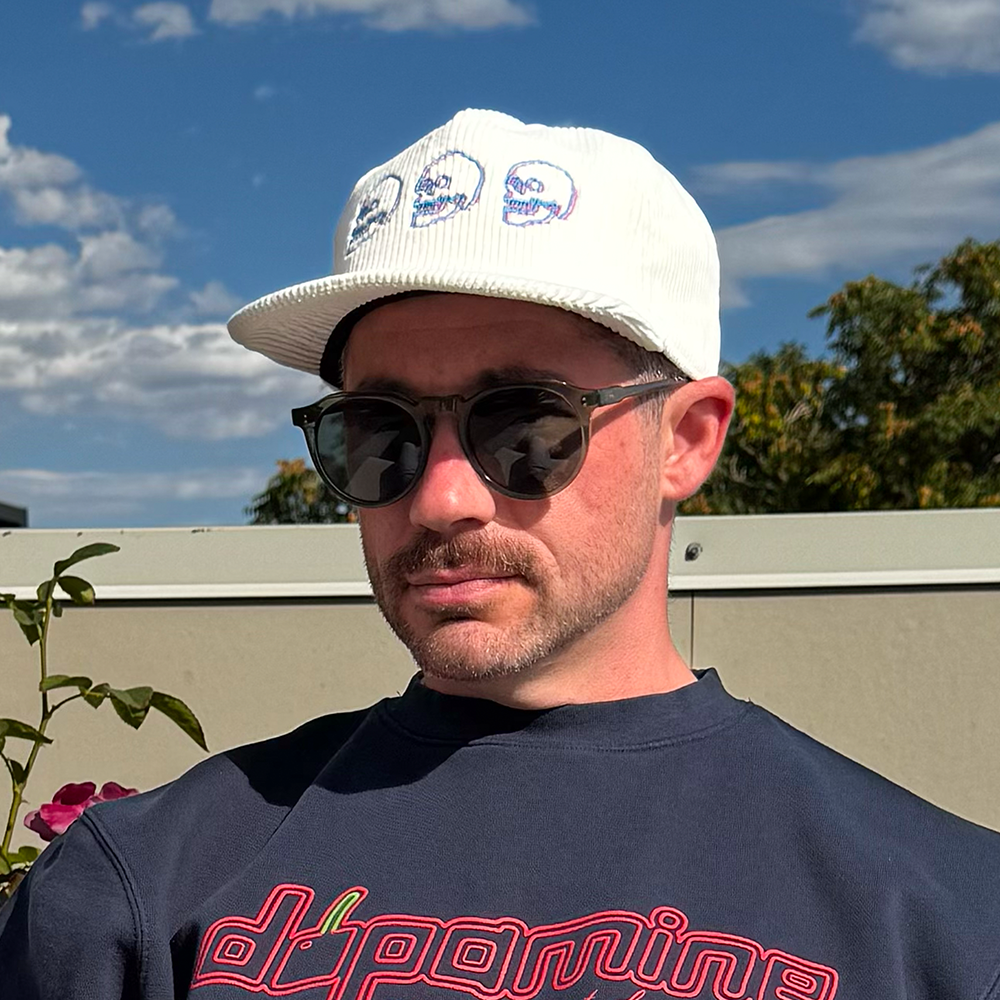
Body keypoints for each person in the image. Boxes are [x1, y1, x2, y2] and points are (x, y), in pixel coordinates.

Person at [1, 109, 999, 999]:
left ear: (688, 438)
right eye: (379, 431)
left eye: (523, 424)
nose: (440, 497)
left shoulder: (945, 920)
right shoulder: (131, 891)